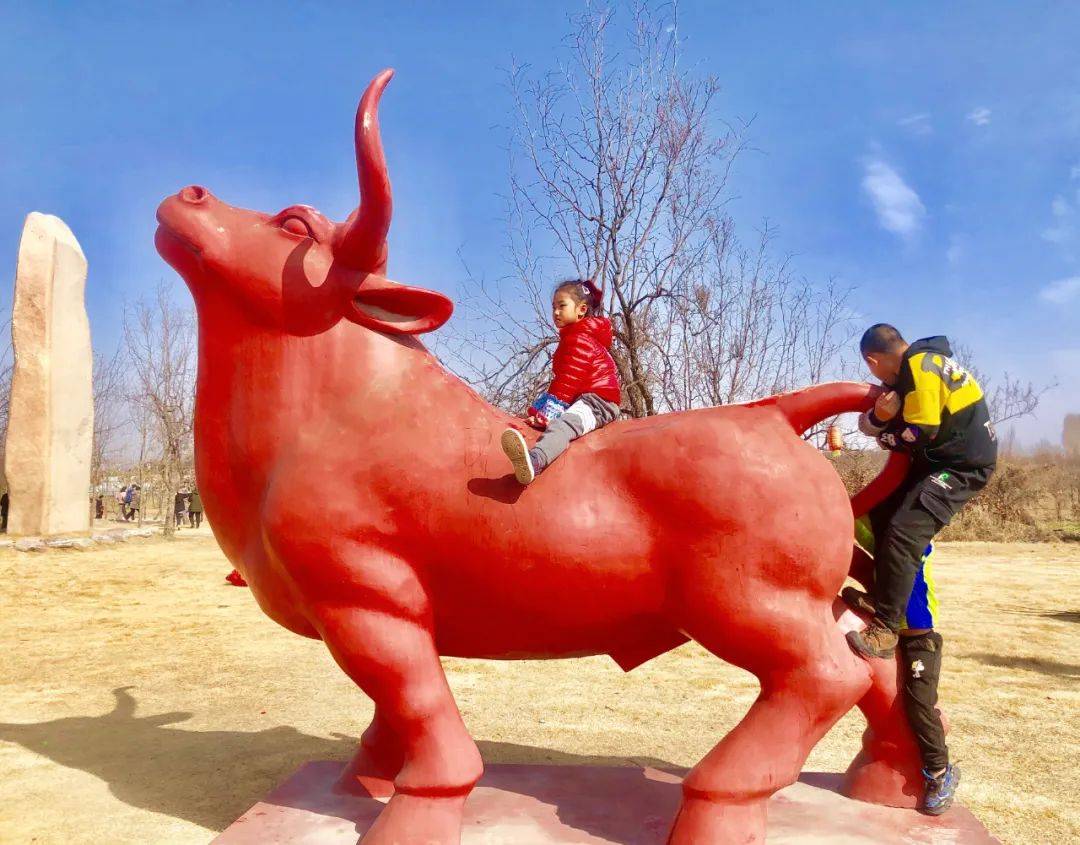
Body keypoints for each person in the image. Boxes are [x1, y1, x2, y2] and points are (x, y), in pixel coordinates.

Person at [843, 325, 997, 813]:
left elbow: (920, 433)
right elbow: (888, 428)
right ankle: (881, 609)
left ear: (873, 359)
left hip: (918, 632)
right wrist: (877, 420)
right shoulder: (911, 376)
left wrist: (885, 427)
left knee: (917, 705)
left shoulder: (920, 367)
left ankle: (939, 770)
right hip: (939, 467)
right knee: (891, 526)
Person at [847, 519, 957, 814]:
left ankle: (940, 772)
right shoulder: (887, 554)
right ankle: (873, 606)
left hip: (921, 642)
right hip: (890, 635)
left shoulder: (916, 545)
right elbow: (860, 528)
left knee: (920, 705)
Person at [500, 279, 621, 484]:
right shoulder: (574, 337)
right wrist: (537, 411)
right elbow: (562, 384)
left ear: (581, 310)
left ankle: (536, 460)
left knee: (562, 425)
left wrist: (548, 412)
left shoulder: (580, 339)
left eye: (562, 306)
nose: (556, 312)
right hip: (585, 397)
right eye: (554, 307)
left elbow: (567, 382)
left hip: (599, 402)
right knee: (549, 418)